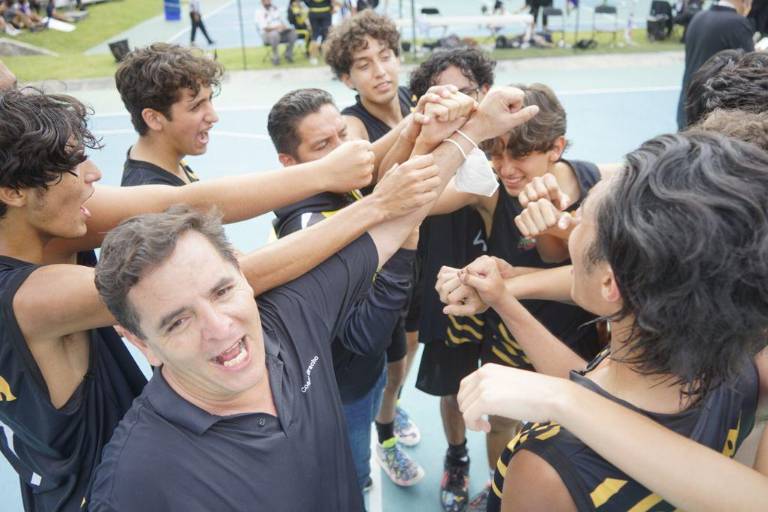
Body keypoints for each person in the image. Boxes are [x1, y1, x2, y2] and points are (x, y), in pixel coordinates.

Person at [85, 86, 540, 511]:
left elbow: (398, 216)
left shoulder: (288, 315)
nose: (221, 328)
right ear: (138, 341)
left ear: (245, 273)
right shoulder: (136, 484)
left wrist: (474, 129)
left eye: (222, 291)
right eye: (177, 321)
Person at [0, 84, 439, 512]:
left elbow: (185, 201)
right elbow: (227, 279)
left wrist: (395, 137)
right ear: (13, 191)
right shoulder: (25, 299)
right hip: (99, 487)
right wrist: (375, 207)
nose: (94, 173)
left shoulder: (47, 217)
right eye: (72, 164)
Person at [440, 131, 767, 511]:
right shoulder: (733, 362)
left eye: (578, 221)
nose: (567, 230)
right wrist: (503, 299)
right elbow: (601, 391)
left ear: (612, 283)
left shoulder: (546, 467)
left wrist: (562, 400)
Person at [426, 82, 612, 510]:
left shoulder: (596, 187)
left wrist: (560, 224)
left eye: (521, 154)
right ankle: (500, 491)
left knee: (577, 427)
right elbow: (417, 198)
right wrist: (449, 134)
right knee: (502, 423)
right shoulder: (490, 190)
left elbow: (582, 269)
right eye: (496, 152)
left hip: (575, 334)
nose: (506, 168)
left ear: (556, 147)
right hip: (509, 335)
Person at [267, 87, 427, 491]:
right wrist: (404, 253)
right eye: (324, 145)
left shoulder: (340, 182)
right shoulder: (309, 230)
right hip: (344, 381)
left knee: (384, 393)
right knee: (353, 471)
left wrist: (415, 124)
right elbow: (362, 337)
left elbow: (375, 162)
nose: (345, 151)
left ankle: (385, 433)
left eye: (343, 134)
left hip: (370, 358)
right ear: (289, 162)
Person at [325, 9, 427, 486]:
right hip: (383, 265)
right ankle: (384, 436)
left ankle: (391, 407)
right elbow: (379, 183)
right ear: (348, 78)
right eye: (364, 64)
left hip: (421, 253)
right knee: (388, 363)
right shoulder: (353, 125)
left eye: (385, 56)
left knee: (406, 354)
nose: (380, 70)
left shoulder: (411, 99)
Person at [408, 47, 499, 512]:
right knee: (454, 387)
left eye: (468, 92)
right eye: (446, 94)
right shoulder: (424, 151)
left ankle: (505, 473)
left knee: (508, 391)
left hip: (504, 291)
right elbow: (415, 199)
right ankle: (458, 456)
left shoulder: (509, 144)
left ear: (485, 92)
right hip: (447, 287)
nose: (460, 103)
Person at [676, 0, 753, 129]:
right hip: (712, 111)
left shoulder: (698, 17)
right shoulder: (738, 23)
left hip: (687, 104)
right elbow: (751, 67)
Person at [255, 0, 298, 65]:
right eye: (266, 1)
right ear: (262, 2)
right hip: (267, 35)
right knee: (274, 34)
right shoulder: (259, 12)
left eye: (269, 1)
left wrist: (284, 27)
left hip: (280, 33)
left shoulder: (275, 9)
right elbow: (264, 28)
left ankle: (288, 54)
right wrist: (276, 28)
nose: (268, 2)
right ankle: (276, 57)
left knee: (293, 33)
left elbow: (282, 21)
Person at [304, 0, 337, 64]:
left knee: (315, 35)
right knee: (327, 35)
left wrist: (310, 5)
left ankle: (313, 57)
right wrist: (333, 7)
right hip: (326, 12)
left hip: (313, 12)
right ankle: (327, 56)